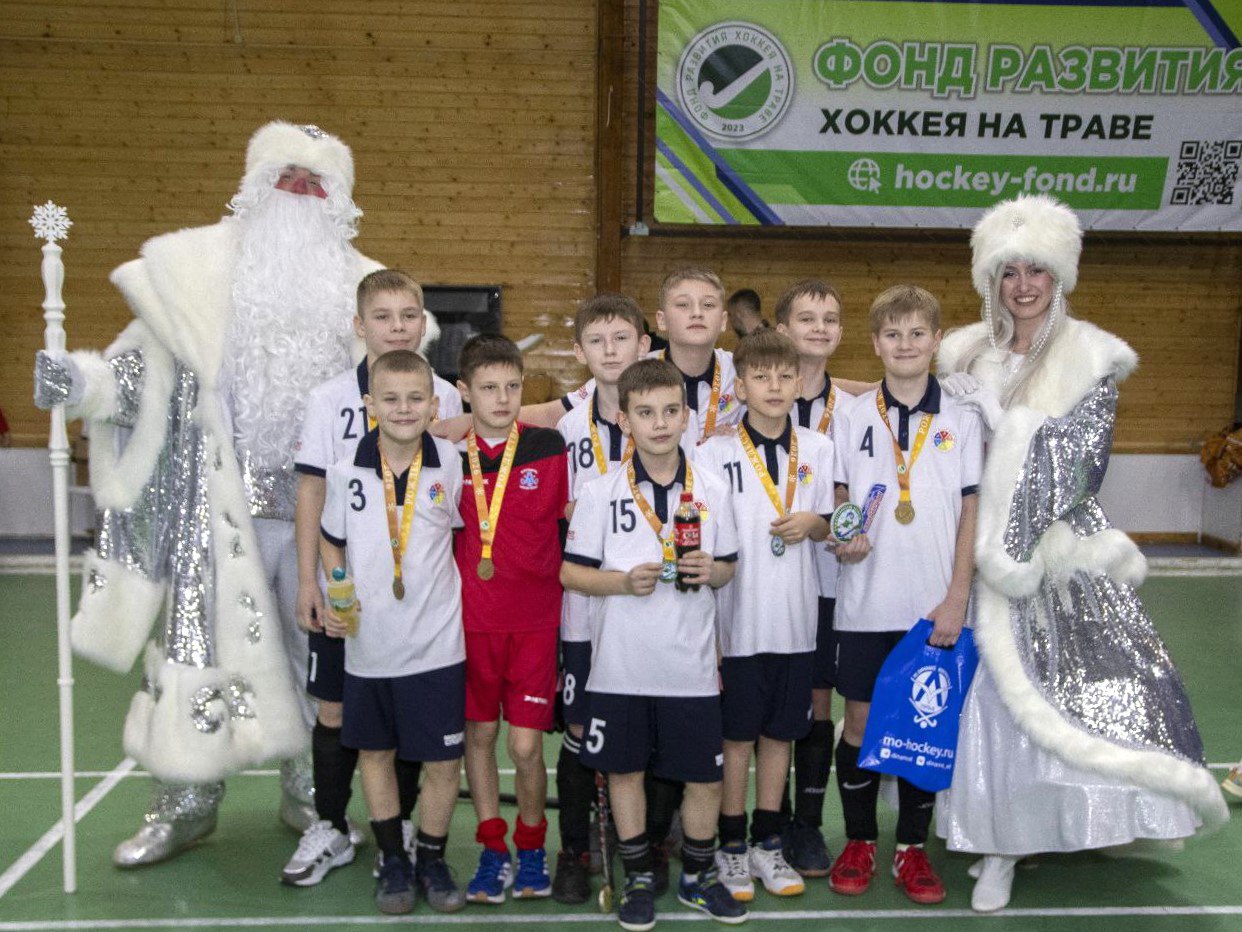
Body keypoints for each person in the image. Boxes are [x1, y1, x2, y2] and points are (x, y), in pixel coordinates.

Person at [33, 121, 383, 866]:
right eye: (286, 178)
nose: (299, 194)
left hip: (325, 520)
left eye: (315, 184)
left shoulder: (367, 293)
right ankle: (185, 803)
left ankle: (313, 796)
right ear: (255, 187)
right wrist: (81, 382)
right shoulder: (193, 276)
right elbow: (138, 375)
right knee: (194, 648)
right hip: (215, 509)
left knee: (320, 655)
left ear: (339, 201)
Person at [936, 193, 1228, 912]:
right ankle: (998, 839)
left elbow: (1079, 465)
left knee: (1068, 694)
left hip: (1053, 555)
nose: (1023, 285)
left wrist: (1006, 423)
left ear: (1059, 276)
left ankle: (1039, 832)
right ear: (990, 279)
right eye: (1009, 272)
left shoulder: (1088, 357)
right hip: (968, 545)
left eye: (1036, 270)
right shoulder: (964, 353)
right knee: (989, 702)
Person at [282, 268, 458, 886]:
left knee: (406, 721)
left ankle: (400, 832)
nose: (398, 327)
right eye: (383, 317)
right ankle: (330, 825)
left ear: (423, 322)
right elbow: (312, 492)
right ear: (360, 326)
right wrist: (312, 582)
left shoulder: (445, 395)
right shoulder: (329, 398)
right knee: (334, 709)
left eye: (409, 315)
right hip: (347, 594)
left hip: (417, 608)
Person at [561, 358, 747, 931]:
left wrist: (712, 570)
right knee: (624, 774)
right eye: (645, 413)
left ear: (686, 416)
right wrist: (621, 583)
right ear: (625, 420)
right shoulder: (599, 492)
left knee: (705, 777)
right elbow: (570, 573)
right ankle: (640, 876)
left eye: (670, 411)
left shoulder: (713, 488)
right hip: (620, 667)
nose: (660, 423)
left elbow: (729, 569)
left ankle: (698, 876)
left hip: (691, 666)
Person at [829, 284, 983, 906]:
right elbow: (840, 493)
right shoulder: (851, 415)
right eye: (893, 334)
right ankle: (860, 840)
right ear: (875, 344)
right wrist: (844, 533)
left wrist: (957, 597)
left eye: (918, 333)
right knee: (860, 722)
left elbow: (972, 511)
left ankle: (912, 848)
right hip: (865, 600)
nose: (906, 344)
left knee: (926, 723)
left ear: (937, 340)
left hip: (933, 606)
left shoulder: (962, 418)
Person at [318, 350, 467, 914]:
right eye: (391, 399)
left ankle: (431, 857)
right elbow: (332, 540)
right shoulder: (345, 471)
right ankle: (394, 860)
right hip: (370, 646)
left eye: (415, 398)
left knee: (443, 763)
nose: (403, 409)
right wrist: (338, 591)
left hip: (437, 644)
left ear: (433, 405)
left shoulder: (451, 464)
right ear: (370, 405)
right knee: (376, 754)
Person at [695, 330, 834, 902]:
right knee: (737, 739)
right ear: (740, 386)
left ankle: (767, 842)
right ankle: (731, 846)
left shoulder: (819, 449)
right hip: (737, 625)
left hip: (796, 624)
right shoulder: (713, 453)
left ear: (799, 383)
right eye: (761, 376)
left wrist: (816, 525)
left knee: (780, 737)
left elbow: (829, 524)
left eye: (784, 376)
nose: (773, 386)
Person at [454, 334, 569, 903]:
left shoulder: (549, 447)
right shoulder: (447, 459)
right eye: (488, 388)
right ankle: (492, 848)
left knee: (525, 747)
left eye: (512, 387)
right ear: (464, 392)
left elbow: (572, 520)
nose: (502, 399)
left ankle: (532, 845)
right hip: (470, 624)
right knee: (479, 735)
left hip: (536, 624)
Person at [551, 293, 650, 903]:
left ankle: (649, 838)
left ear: (644, 344)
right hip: (586, 606)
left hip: (650, 606)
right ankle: (574, 849)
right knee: (579, 725)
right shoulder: (567, 427)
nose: (610, 351)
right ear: (579, 350)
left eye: (621, 338)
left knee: (646, 724)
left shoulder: (669, 415)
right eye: (597, 341)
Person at [772, 278, 848, 876]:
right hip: (759, 583)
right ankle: (763, 821)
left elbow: (856, 493)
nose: (819, 328)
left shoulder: (856, 410)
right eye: (806, 318)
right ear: (781, 330)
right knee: (761, 704)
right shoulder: (754, 401)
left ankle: (807, 825)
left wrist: (846, 526)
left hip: (825, 579)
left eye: (829, 319)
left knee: (817, 701)